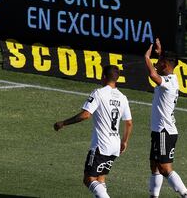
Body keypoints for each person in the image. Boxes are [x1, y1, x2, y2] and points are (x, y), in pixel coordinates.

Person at [53, 65, 133, 198]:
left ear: (103, 77)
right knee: (100, 179)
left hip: (102, 145)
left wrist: (63, 123)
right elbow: (129, 123)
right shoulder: (123, 97)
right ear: (116, 79)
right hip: (115, 145)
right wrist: (124, 142)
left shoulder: (99, 93)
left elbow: (85, 115)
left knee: (89, 179)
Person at [145, 38, 187, 198]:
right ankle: (154, 196)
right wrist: (160, 52)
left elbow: (153, 74)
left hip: (164, 131)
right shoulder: (169, 78)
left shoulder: (169, 82)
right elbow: (162, 66)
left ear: (165, 65)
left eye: (159, 61)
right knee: (154, 165)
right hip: (158, 131)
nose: (156, 63)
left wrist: (147, 57)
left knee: (165, 168)